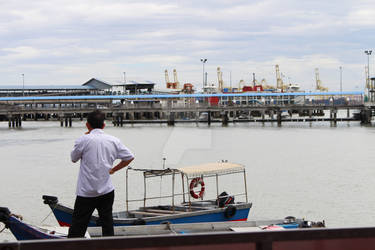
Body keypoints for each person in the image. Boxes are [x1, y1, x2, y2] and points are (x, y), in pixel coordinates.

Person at [68, 110, 134, 238]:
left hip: (86, 191)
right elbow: (129, 157)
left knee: (78, 226)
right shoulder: (113, 140)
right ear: (103, 125)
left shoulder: (83, 140)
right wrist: (114, 169)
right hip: (106, 190)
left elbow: (73, 158)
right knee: (107, 224)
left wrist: (85, 137)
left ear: (87, 125)